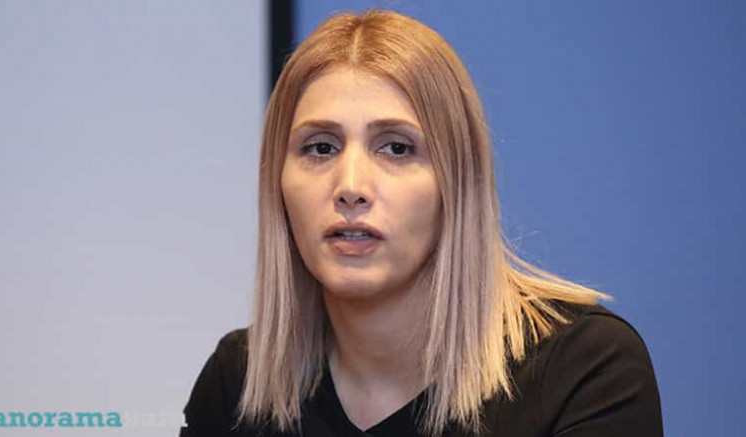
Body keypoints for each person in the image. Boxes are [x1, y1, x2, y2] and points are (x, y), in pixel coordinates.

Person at [180, 9, 663, 437]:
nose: (351, 185)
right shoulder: (237, 382)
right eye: (320, 147)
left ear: (457, 183)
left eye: (396, 147)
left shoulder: (584, 371)